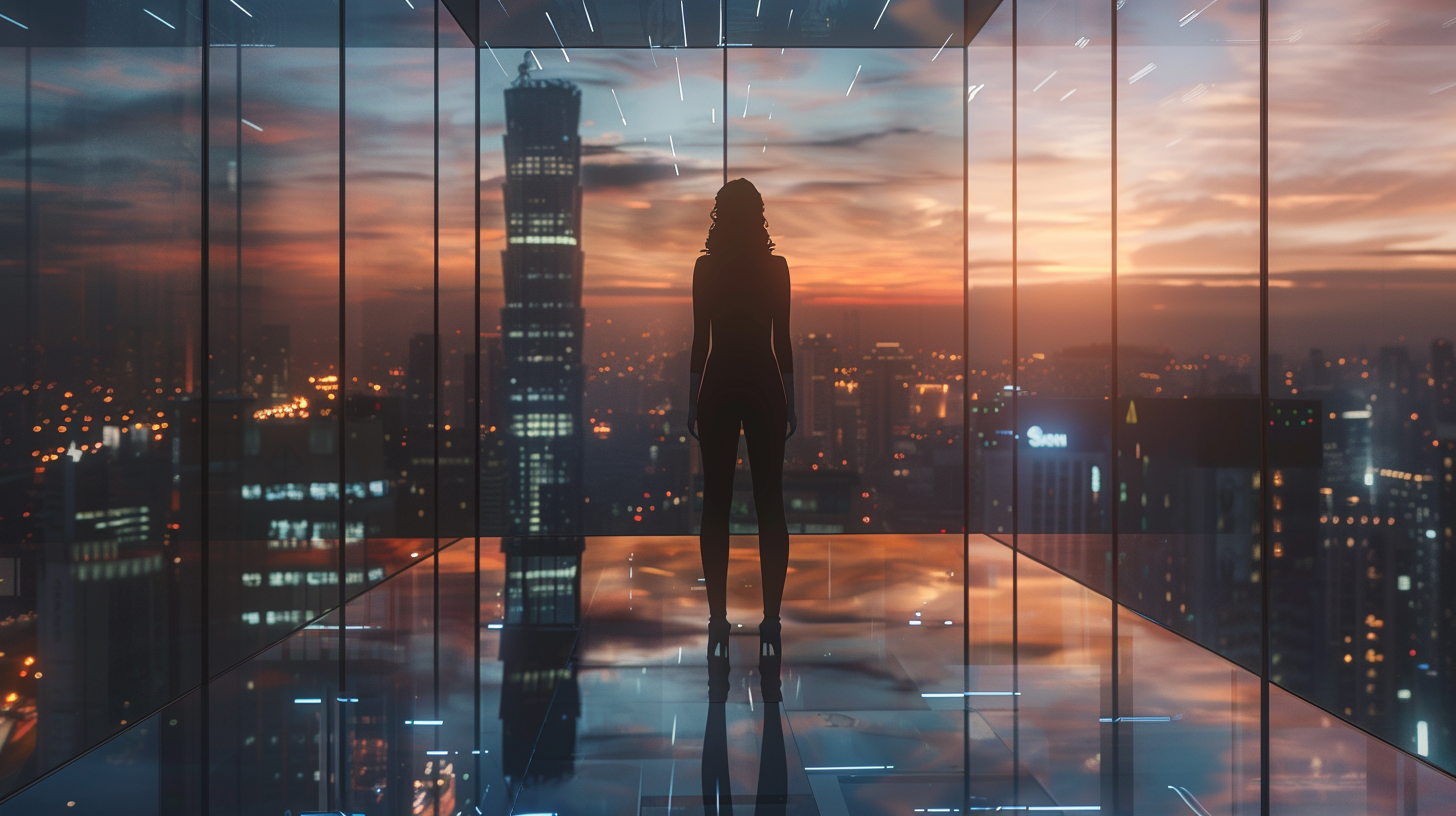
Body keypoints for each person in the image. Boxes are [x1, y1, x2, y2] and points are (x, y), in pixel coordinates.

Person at [688, 178, 796, 700]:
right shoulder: (775, 269)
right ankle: (770, 618)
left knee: (717, 505)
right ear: (758, 217)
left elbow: (698, 340)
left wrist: (691, 400)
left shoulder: (706, 268)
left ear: (718, 217)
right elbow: (784, 339)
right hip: (764, 385)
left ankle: (718, 618)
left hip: (717, 385)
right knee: (770, 504)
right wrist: (791, 400)